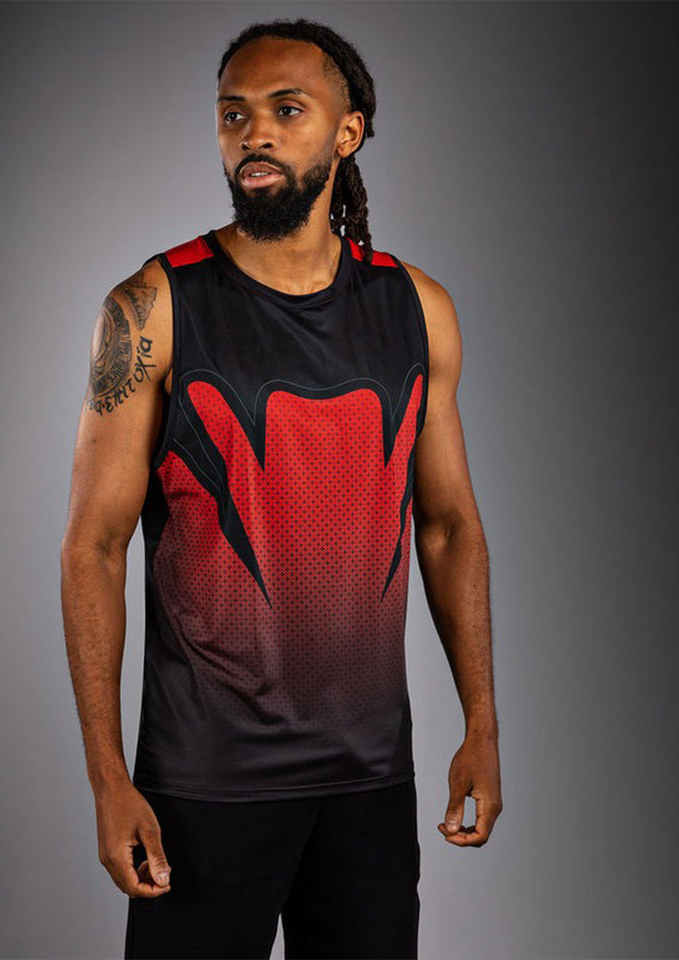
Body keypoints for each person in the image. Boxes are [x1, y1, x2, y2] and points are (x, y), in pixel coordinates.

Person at [60, 17, 502, 960]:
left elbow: (449, 527)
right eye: (234, 114)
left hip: (369, 781)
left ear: (348, 132)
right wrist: (108, 778)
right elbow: (92, 547)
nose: (252, 133)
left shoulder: (417, 307)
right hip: (202, 785)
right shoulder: (152, 307)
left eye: (285, 110)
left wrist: (482, 726)